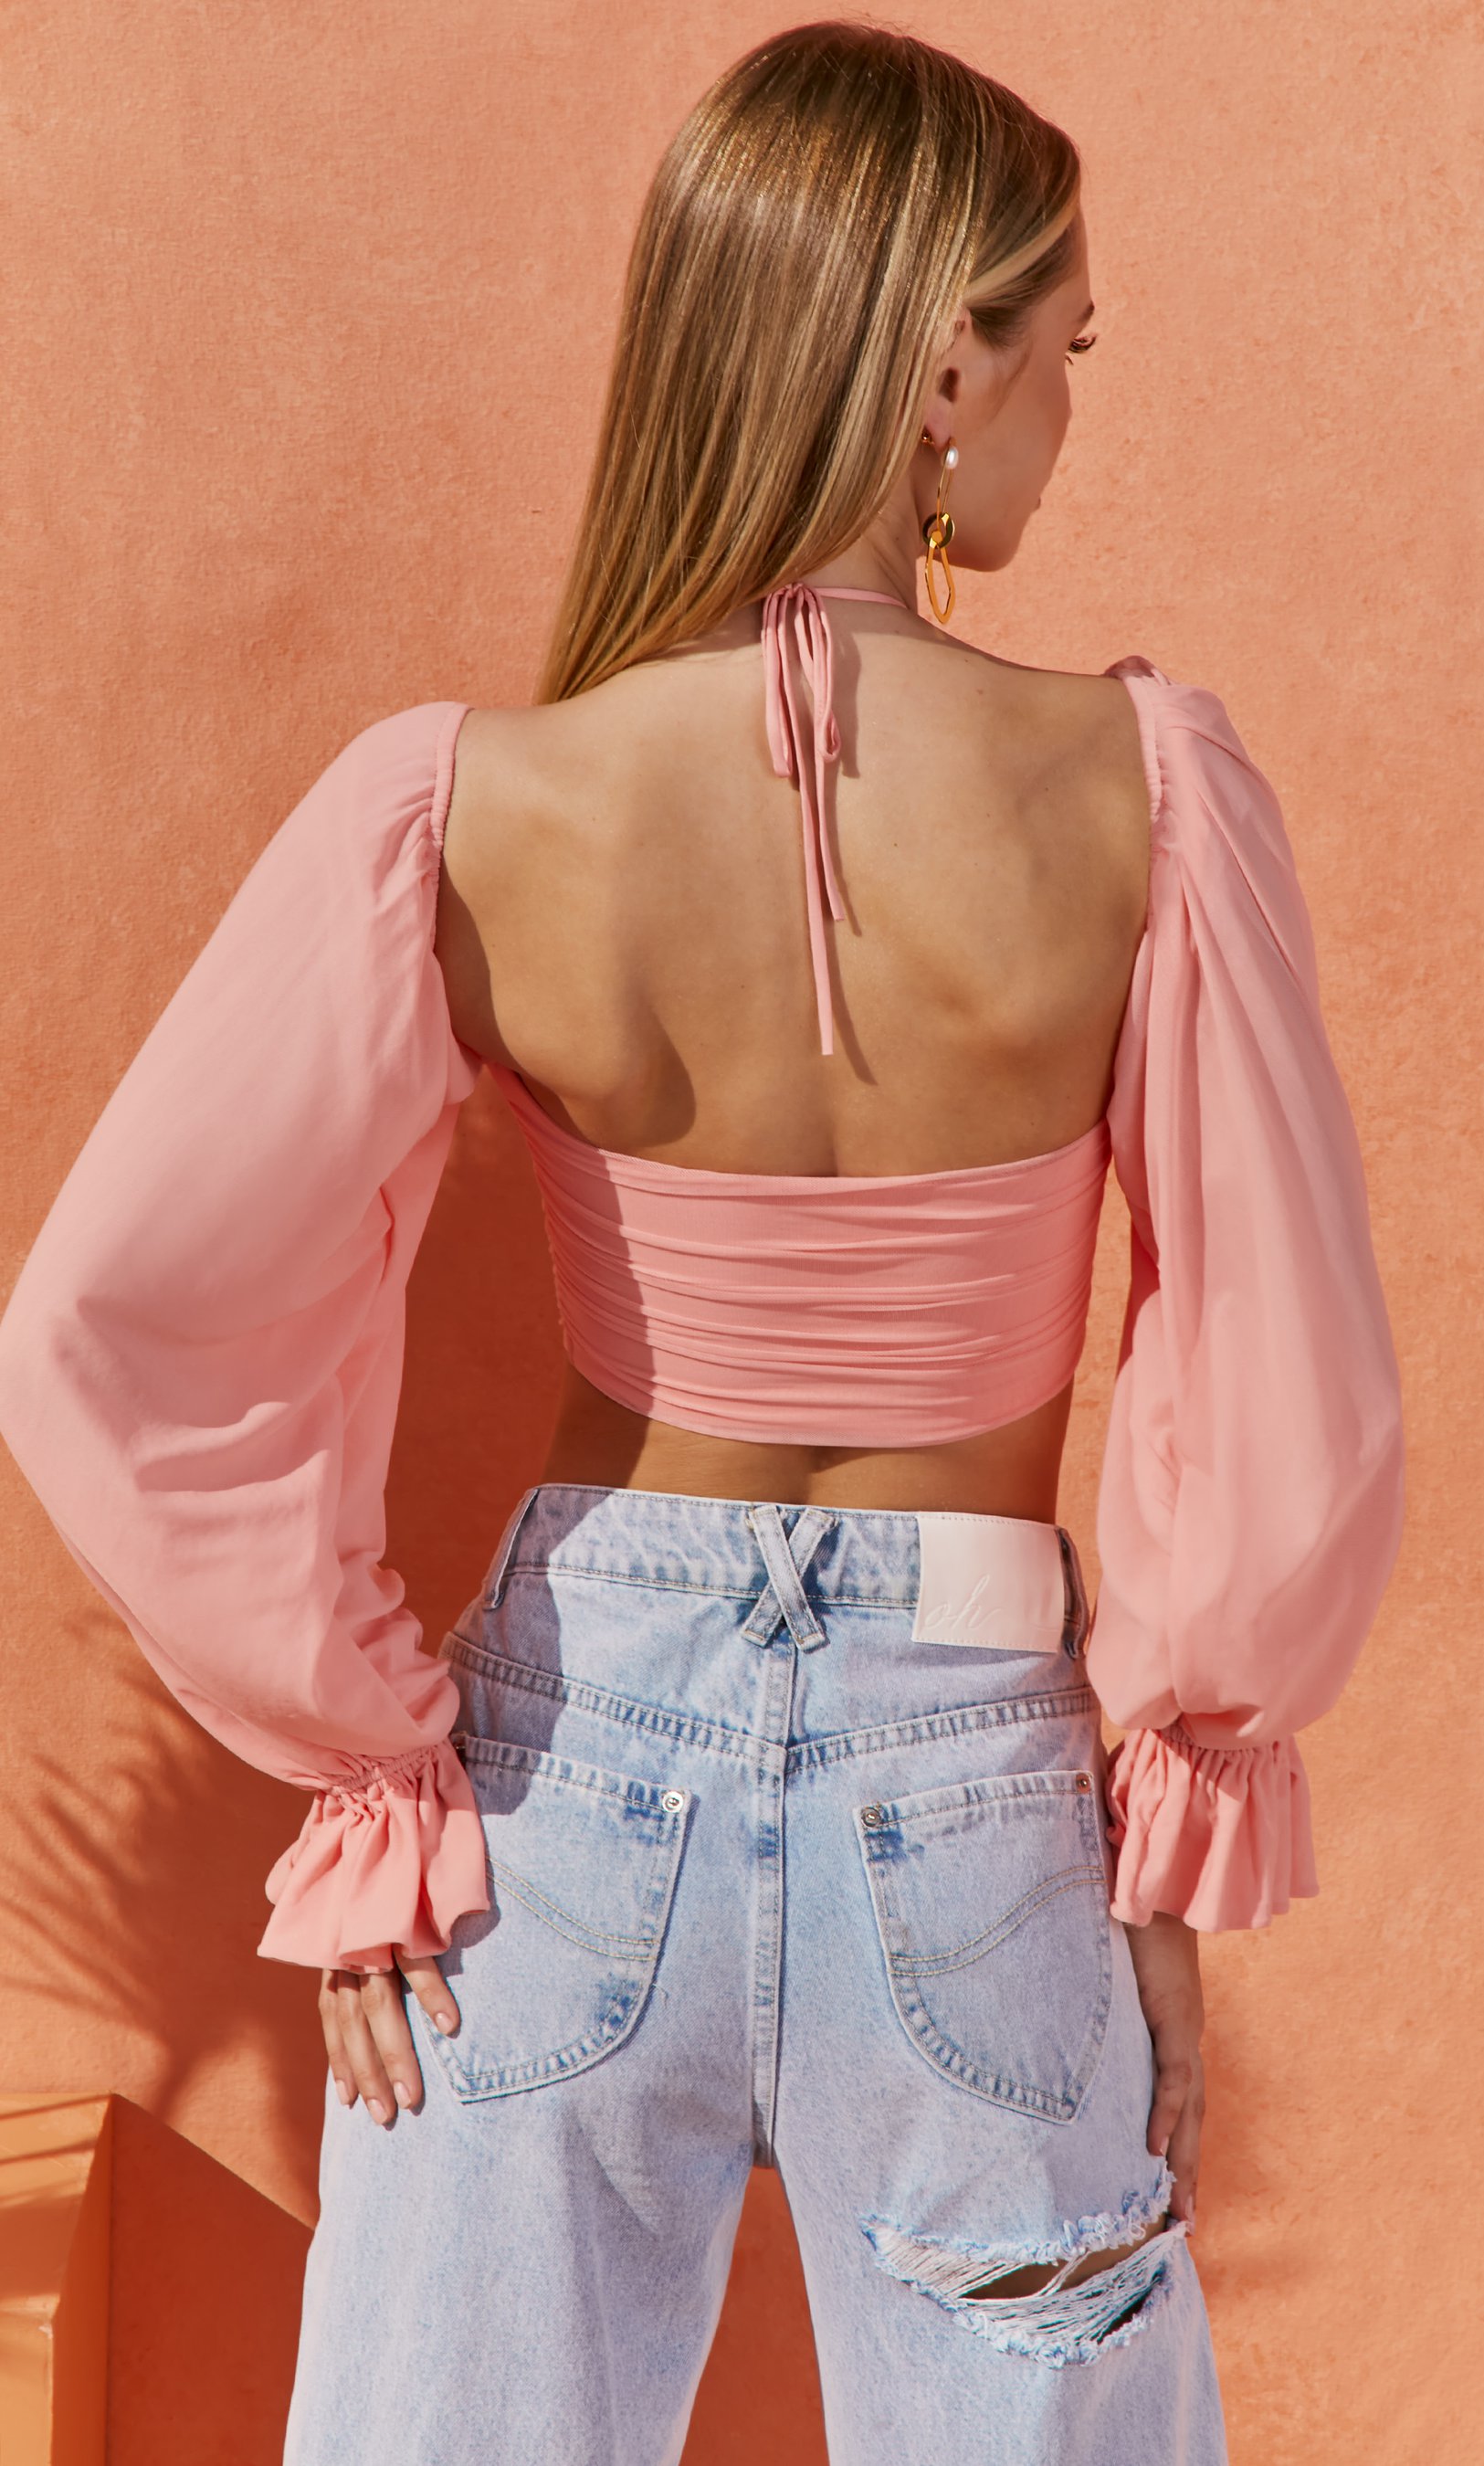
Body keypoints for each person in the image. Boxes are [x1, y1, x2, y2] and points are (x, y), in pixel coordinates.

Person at [0, 21, 1405, 2465]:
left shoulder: (476, 807)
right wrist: (1169, 1825)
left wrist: (372, 1778)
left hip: (568, 1753)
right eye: (1065, 346)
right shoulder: (1142, 791)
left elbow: (113, 1330)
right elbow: (1289, 1366)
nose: (1071, 407)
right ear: (943, 367)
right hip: (974, 1770)